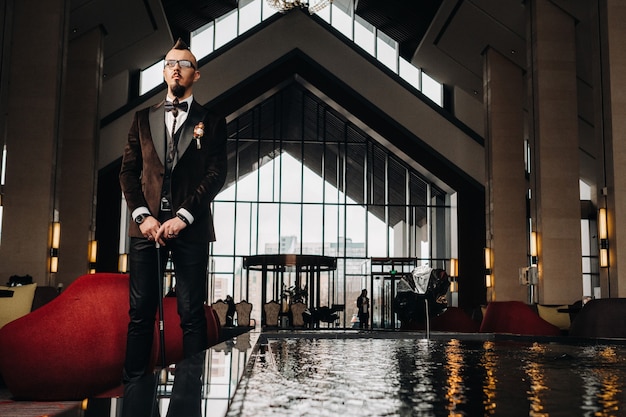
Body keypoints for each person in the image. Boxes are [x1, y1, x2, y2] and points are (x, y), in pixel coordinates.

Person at [119, 38, 227, 385]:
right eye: (169, 63)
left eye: (183, 63)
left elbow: (216, 174)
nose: (175, 68)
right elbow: (127, 172)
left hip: (191, 230)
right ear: (164, 71)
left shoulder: (211, 120)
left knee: (191, 314)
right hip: (145, 230)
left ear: (197, 74)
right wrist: (142, 216)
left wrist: (183, 217)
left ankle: (189, 393)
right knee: (139, 314)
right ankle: (134, 389)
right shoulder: (141, 118)